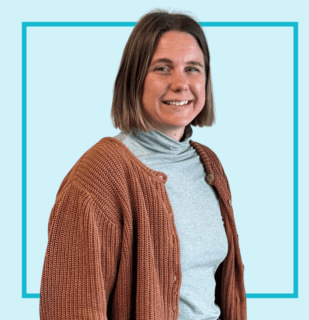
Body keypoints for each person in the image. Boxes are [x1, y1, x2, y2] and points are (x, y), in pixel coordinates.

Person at [39, 8, 247, 320]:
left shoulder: (208, 165)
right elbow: (70, 309)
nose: (181, 83)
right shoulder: (97, 177)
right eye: (162, 68)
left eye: (193, 69)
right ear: (134, 78)